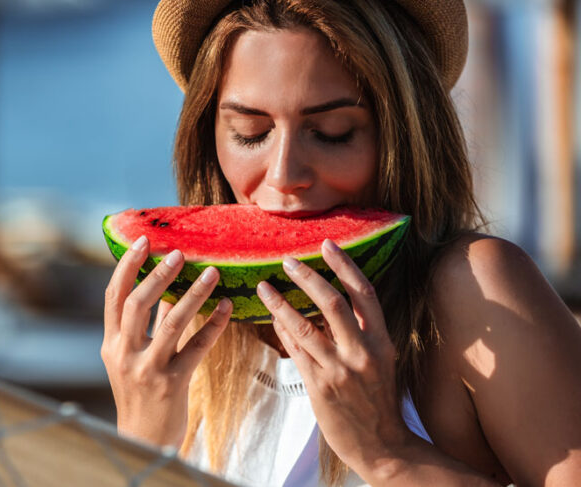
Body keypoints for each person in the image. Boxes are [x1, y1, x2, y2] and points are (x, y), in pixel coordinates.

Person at [101, 0, 581, 485]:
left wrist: (390, 454)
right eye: (250, 134)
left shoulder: (476, 290)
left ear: (404, 135)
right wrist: (141, 444)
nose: (285, 175)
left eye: (333, 133)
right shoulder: (195, 325)